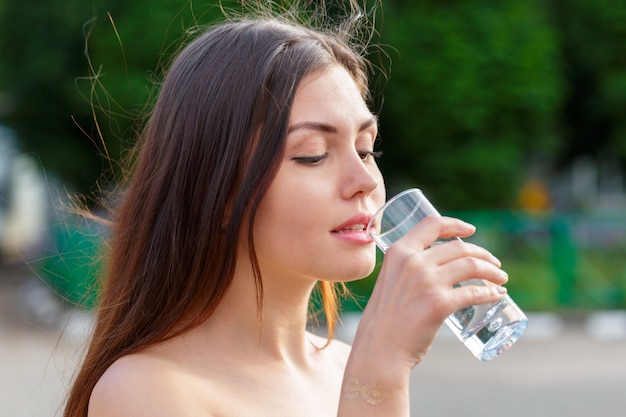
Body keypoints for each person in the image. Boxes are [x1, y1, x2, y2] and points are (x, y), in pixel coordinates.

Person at [64, 6, 509, 417]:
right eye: (313, 154)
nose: (366, 181)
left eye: (366, 148)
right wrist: (380, 375)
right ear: (215, 190)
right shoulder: (145, 390)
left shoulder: (343, 367)